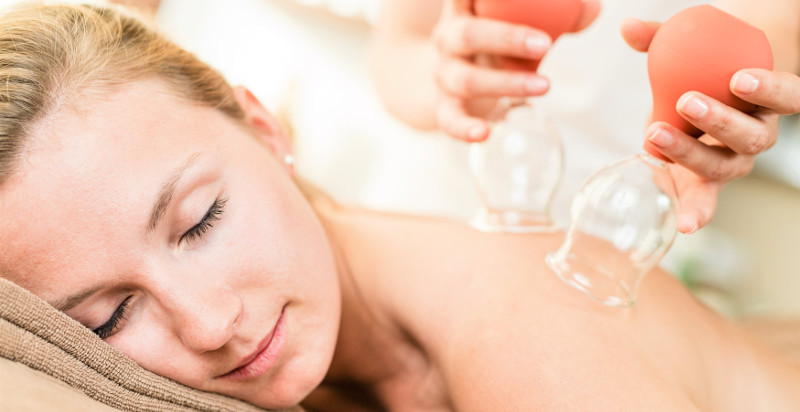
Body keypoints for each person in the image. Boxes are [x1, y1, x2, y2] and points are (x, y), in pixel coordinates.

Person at [0, 2, 799, 411]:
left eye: (201, 220)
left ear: (266, 129)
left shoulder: (527, 352)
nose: (209, 326)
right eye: (107, 318)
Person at [368, 0, 800, 233]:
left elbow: (764, 33)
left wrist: (735, 114)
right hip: (431, 213)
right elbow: (398, 46)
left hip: (626, 227)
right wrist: (456, 80)